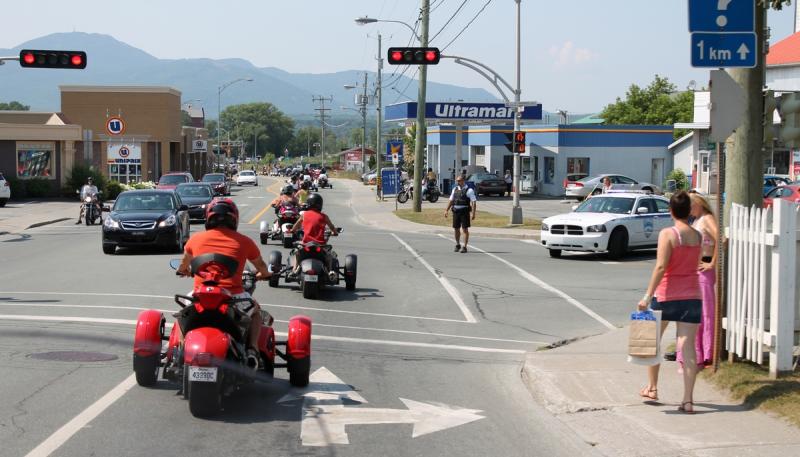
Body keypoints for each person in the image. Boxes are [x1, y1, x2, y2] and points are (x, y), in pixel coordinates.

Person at [176, 198, 271, 363]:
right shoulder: (244, 241)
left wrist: (185, 271)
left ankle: (181, 348)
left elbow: (183, 264)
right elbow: (261, 265)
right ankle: (253, 349)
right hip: (233, 297)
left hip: (201, 296)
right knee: (256, 311)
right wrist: (264, 274)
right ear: (234, 219)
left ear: (209, 218)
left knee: (182, 313)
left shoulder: (195, 239)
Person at [637, 191, 702, 414]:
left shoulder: (668, 234)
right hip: (692, 296)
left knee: (653, 341)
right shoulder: (697, 236)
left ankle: (652, 388)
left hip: (666, 295)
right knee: (688, 347)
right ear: (688, 210)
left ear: (671, 210)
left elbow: (661, 266)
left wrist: (647, 296)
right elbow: (695, 263)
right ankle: (688, 400)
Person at [676, 193, 718, 369]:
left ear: (698, 203)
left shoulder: (707, 219)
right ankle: (697, 352)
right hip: (695, 270)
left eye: (690, 204)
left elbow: (721, 239)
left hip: (704, 268)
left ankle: (708, 353)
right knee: (697, 313)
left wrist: (712, 263)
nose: (688, 209)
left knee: (706, 313)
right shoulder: (697, 220)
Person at [288, 193, 338, 275]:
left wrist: (292, 230)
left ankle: (295, 269)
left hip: (306, 244)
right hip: (320, 245)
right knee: (329, 256)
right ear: (320, 204)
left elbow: (295, 226)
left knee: (297, 252)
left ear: (308, 203)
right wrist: (335, 232)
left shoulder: (304, 215)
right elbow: (332, 227)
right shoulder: (324, 216)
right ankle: (329, 271)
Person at [444, 175, 477, 253]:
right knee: (456, 228)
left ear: (463, 181)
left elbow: (473, 202)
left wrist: (473, 213)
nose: (457, 182)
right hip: (456, 211)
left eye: (459, 180)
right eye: (457, 181)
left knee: (465, 229)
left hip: (464, 212)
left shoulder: (469, 190)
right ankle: (457, 244)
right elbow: (451, 200)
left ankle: (464, 246)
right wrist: (446, 210)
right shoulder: (455, 189)